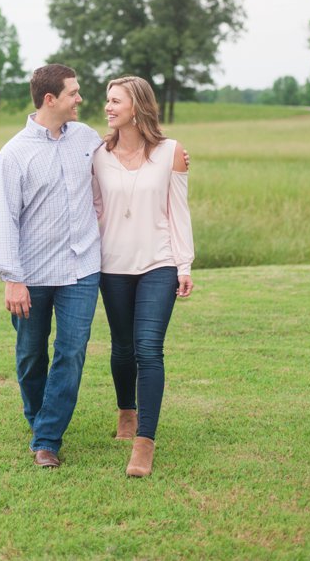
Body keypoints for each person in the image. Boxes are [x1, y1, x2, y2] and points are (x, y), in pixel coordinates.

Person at [0, 64, 103, 469]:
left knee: (71, 352)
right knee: (30, 356)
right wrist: (12, 279)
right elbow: (6, 219)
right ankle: (39, 419)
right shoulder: (14, 154)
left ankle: (47, 439)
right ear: (50, 99)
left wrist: (172, 154)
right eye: (74, 93)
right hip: (32, 275)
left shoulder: (88, 139)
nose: (80, 99)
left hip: (83, 269)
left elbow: (129, 153)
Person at [92, 75, 194, 478]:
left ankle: (144, 442)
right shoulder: (97, 154)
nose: (108, 107)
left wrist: (183, 264)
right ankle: (126, 414)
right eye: (106, 101)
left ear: (137, 106)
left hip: (159, 262)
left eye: (115, 100)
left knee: (149, 348)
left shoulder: (172, 152)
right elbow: (95, 209)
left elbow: (178, 212)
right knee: (121, 347)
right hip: (112, 264)